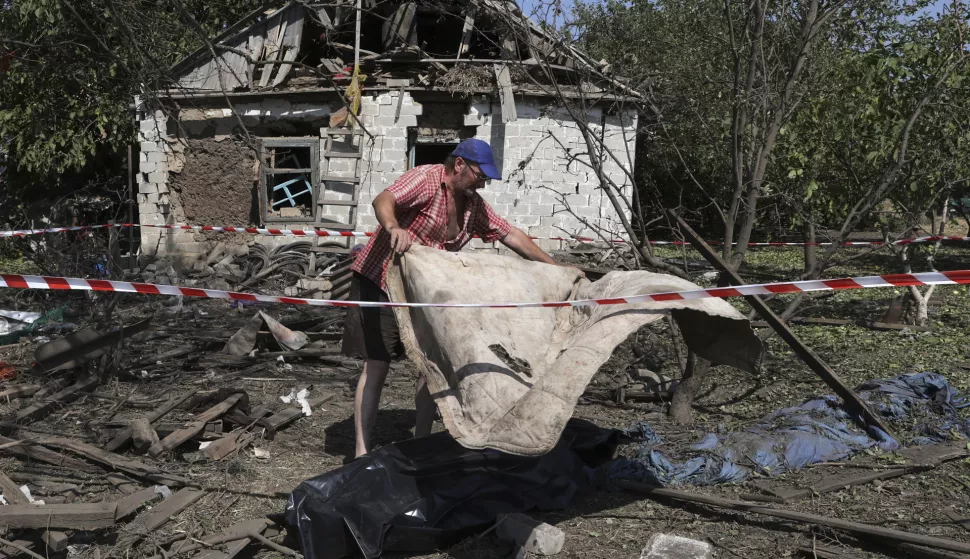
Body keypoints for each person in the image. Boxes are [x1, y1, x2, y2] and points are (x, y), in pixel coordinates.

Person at [343, 138, 564, 458]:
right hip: (380, 281)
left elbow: (511, 235)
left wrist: (556, 269)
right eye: (480, 175)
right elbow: (384, 199)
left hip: (423, 295)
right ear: (459, 165)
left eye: (486, 178)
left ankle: (421, 443)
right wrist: (393, 227)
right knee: (377, 366)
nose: (483, 183)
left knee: (431, 367)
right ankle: (361, 454)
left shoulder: (472, 205)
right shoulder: (426, 178)